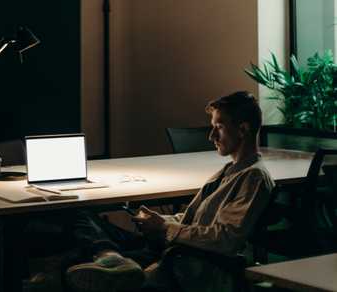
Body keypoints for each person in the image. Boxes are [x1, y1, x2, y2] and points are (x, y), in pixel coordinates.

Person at [65, 91, 275, 292]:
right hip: (174, 245)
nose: (211, 136)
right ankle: (112, 258)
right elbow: (199, 220)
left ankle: (112, 261)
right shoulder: (230, 170)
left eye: (218, 127)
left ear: (243, 130)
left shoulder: (253, 177)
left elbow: (224, 239)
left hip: (186, 260)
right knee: (82, 216)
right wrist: (160, 220)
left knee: (77, 263)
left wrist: (166, 227)